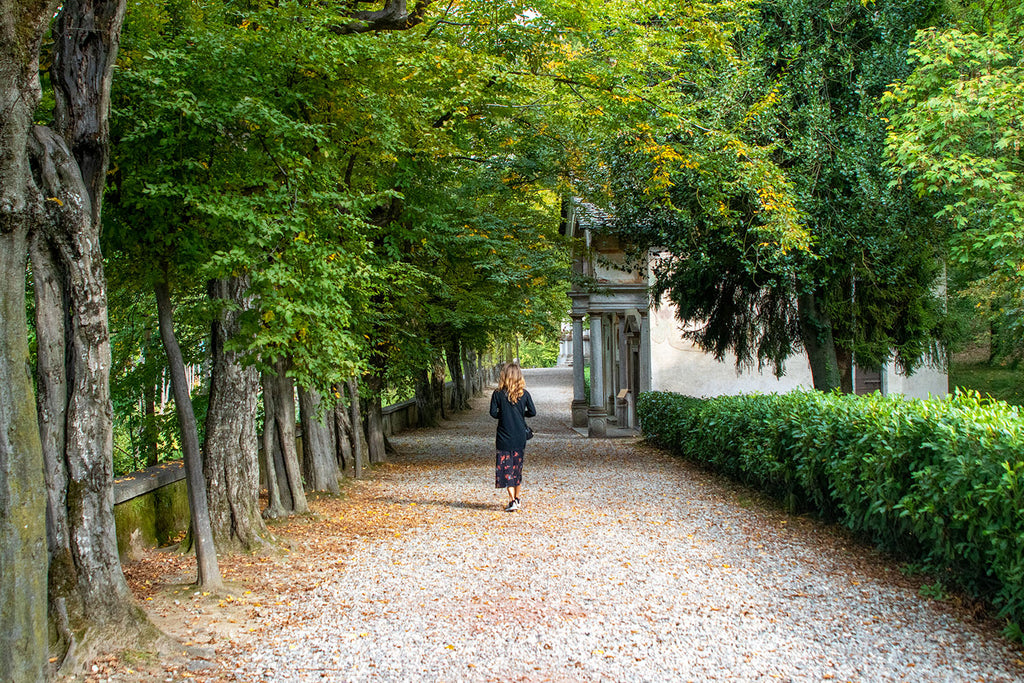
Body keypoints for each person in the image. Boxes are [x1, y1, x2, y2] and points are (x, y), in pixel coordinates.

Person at [489, 362, 536, 512]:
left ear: (504, 376)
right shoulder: (524, 394)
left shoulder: (497, 394)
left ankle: (512, 500)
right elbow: (533, 412)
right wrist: (521, 414)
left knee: (506, 469)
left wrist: (503, 415)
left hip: (504, 436)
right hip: (519, 436)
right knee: (517, 468)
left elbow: (493, 413)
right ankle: (517, 498)